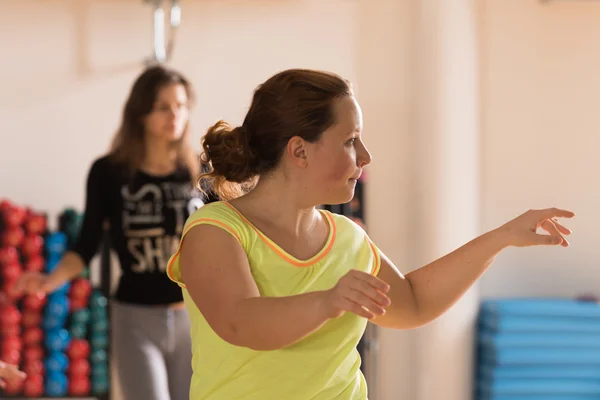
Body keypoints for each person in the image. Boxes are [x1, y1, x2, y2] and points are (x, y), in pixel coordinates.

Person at [165, 68, 575, 400]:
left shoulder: (348, 238)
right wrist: (327, 301)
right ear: (299, 151)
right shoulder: (215, 230)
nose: (365, 157)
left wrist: (499, 238)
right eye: (349, 141)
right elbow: (241, 323)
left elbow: (412, 303)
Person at [14, 65, 213, 400]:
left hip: (196, 317)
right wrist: (50, 281)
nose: (174, 115)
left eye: (180, 106)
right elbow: (87, 243)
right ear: (141, 112)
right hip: (136, 318)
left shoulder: (202, 171)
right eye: (163, 106)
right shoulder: (109, 172)